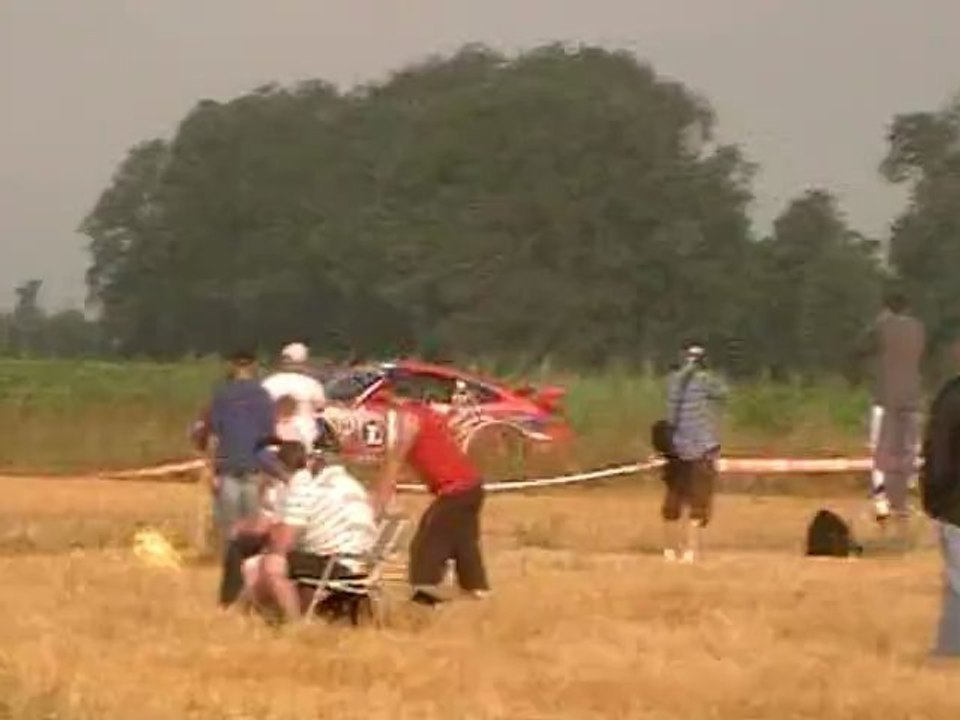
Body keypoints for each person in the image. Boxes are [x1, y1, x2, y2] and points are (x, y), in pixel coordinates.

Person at [372, 387, 490, 605]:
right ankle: (476, 592)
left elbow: (394, 462)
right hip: (470, 486)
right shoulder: (426, 414)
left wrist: (377, 506)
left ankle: (424, 597)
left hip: (456, 490)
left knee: (427, 545)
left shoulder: (408, 420)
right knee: (463, 544)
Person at [240, 436, 378, 623]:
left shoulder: (308, 487)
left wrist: (270, 543)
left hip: (334, 564)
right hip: (364, 565)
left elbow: (284, 543)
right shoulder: (355, 486)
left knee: (267, 564)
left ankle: (290, 622)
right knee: (288, 561)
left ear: (313, 460)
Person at [191, 347, 278, 552]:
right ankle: (247, 559)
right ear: (254, 366)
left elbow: (211, 434)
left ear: (231, 365)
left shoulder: (222, 395)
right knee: (251, 524)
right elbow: (269, 437)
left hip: (227, 465)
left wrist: (210, 467)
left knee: (229, 527)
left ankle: (228, 559)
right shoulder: (263, 396)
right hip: (255, 466)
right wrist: (269, 472)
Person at [857, 290, 926, 532]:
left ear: (886, 308)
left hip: (886, 399)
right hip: (912, 399)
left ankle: (882, 504)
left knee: (881, 452)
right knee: (907, 453)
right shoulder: (918, 329)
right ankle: (902, 504)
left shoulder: (881, 327)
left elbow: (859, 348)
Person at [660, 344, 728, 564]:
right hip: (701, 449)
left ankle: (669, 550)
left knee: (673, 500)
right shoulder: (705, 380)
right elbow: (723, 393)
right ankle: (690, 550)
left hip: (676, 449)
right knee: (699, 501)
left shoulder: (672, 381)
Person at [919, 338, 960, 658]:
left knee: (956, 582)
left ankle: (950, 650)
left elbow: (938, 455)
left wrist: (933, 496)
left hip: (952, 504)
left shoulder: (950, 397)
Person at [261, 342, 327, 450]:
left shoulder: (269, 383)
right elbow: (320, 407)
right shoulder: (312, 384)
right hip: (305, 434)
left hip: (273, 434)